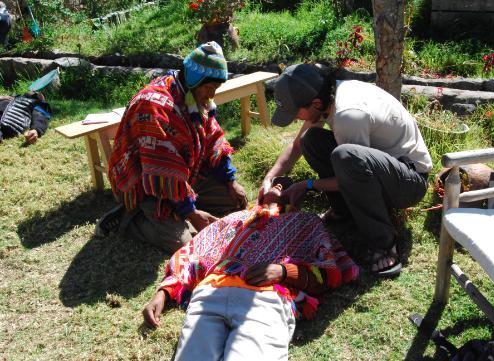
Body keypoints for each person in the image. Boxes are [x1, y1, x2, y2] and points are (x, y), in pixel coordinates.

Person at [143, 178, 359, 360]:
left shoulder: (305, 222)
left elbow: (328, 274)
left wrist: (284, 271)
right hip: (209, 294)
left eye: (285, 184)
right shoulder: (235, 219)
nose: (278, 186)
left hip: (265, 299)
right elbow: (191, 253)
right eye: (274, 182)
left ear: (297, 197)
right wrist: (163, 293)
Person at [258, 63, 432, 277]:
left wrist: (308, 185)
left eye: (296, 112)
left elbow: (353, 173)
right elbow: (297, 147)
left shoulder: (348, 115)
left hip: (409, 182)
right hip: (382, 167)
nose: (295, 118)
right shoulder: (329, 95)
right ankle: (344, 213)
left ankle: (384, 244)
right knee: (309, 140)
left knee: (345, 156)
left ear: (316, 103)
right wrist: (270, 177)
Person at [95, 42, 248, 254]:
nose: (211, 95)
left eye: (215, 89)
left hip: (184, 179)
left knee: (236, 201)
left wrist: (230, 181)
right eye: (209, 88)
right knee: (186, 242)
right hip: (148, 186)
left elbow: (213, 137)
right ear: (194, 79)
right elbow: (164, 175)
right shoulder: (153, 106)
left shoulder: (194, 97)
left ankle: (184, 206)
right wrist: (192, 215)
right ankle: (129, 218)